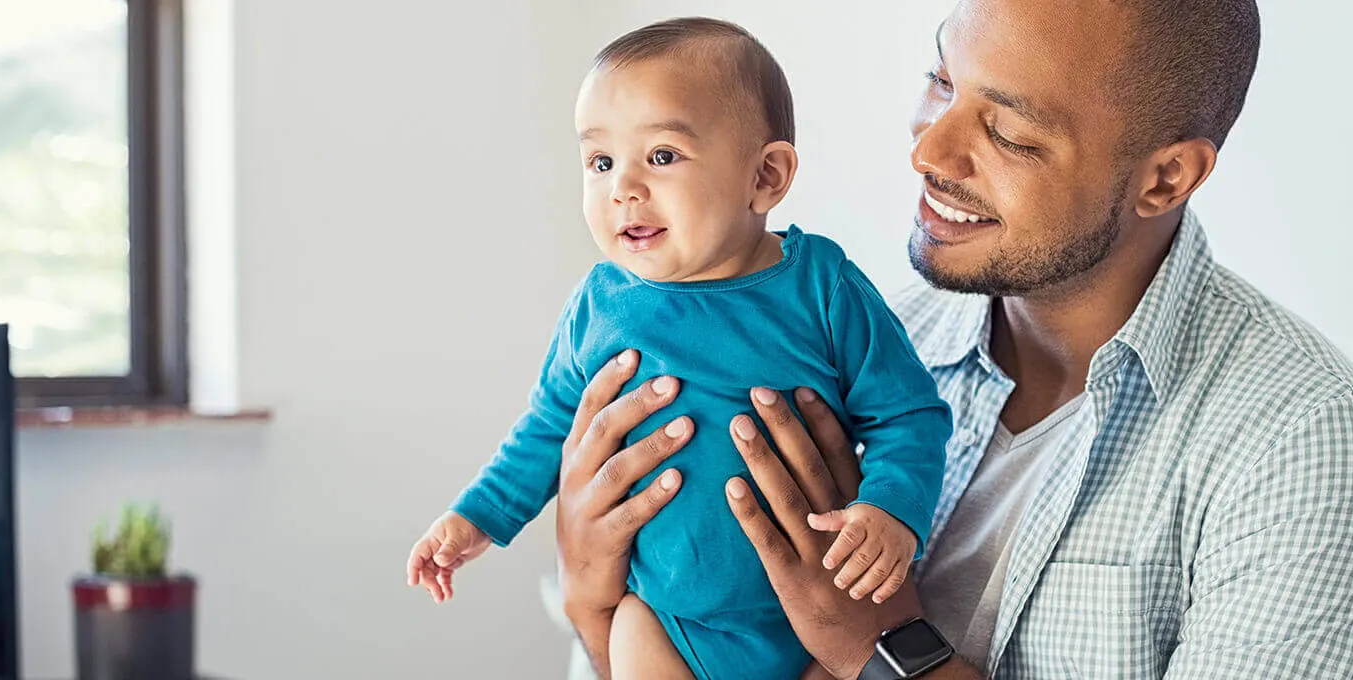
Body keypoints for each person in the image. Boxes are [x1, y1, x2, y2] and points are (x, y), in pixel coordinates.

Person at [556, 0, 1353, 678]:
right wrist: (596, 600)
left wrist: (881, 648)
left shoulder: (1304, 439)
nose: (930, 150)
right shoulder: (851, 347)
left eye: (1009, 132)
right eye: (940, 79)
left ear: (1166, 177)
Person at [404, 17, 955, 680]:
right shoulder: (600, 304)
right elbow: (550, 427)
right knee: (630, 627)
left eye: (661, 156)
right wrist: (476, 517)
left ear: (766, 177)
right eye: (601, 162)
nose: (622, 188)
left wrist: (891, 510)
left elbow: (908, 417)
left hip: (819, 627)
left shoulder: (822, 286)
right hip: (666, 623)